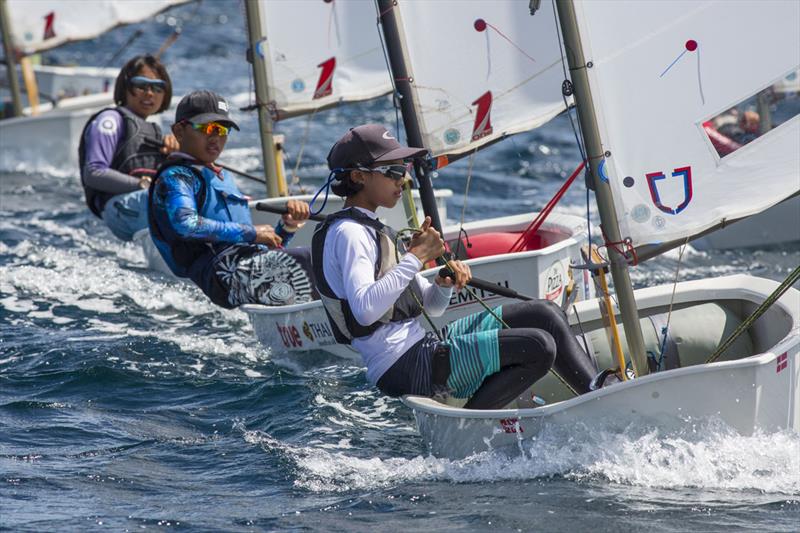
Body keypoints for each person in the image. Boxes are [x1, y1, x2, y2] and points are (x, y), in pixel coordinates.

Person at [312, 124, 605, 410]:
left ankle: (599, 396)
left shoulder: (373, 228)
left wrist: (443, 284)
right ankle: (469, 429)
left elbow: (432, 306)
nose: (403, 179)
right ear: (358, 177)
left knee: (545, 314)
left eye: (406, 170)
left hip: (421, 347)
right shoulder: (349, 233)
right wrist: (415, 256)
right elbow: (364, 310)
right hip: (402, 365)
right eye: (394, 171)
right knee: (539, 346)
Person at [148, 90, 315, 309]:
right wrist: (253, 233)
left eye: (223, 130)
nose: (216, 137)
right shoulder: (177, 177)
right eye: (209, 128)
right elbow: (185, 224)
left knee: (323, 257)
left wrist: (287, 227)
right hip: (220, 278)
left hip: (247, 270)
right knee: (310, 260)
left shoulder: (221, 177)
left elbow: (259, 250)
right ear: (179, 131)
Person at [79, 54, 179, 241]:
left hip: (145, 204)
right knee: (174, 200)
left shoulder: (155, 131)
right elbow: (93, 172)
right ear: (126, 87)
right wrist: (141, 184)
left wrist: (177, 156)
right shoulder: (110, 120)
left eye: (158, 87)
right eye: (141, 85)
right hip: (120, 207)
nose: (150, 93)